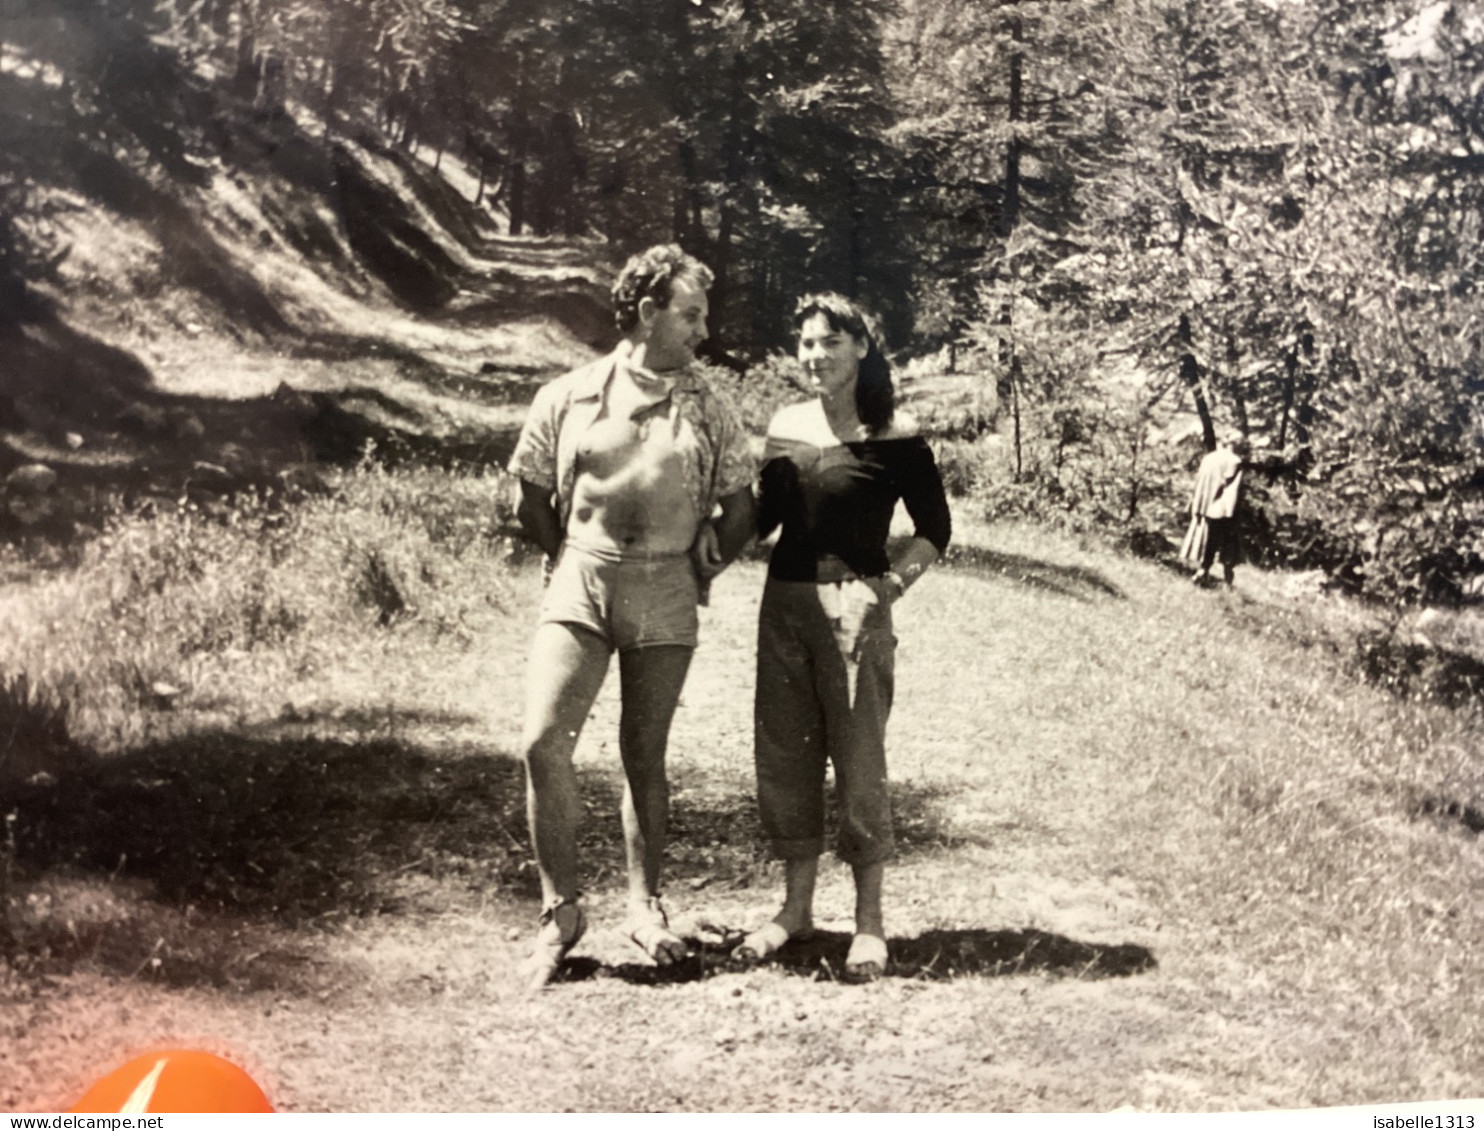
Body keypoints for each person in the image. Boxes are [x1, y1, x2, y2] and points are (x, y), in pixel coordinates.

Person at [506, 244, 755, 990]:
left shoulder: (711, 405)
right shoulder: (569, 394)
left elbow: (741, 505)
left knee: (643, 754)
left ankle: (645, 908)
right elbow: (528, 494)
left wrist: (713, 552)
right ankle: (562, 913)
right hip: (582, 579)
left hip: (665, 590)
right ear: (647, 313)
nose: (701, 331)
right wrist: (570, 560)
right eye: (689, 314)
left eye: (702, 316)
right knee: (543, 740)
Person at [737, 292, 951, 981]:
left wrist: (891, 585)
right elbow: (762, 517)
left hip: (855, 610)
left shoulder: (897, 431)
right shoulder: (787, 425)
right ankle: (795, 910)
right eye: (805, 343)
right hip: (785, 606)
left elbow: (934, 529)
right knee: (784, 756)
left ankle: (869, 923)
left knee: (859, 761)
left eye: (829, 342)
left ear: (861, 346)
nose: (814, 355)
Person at [1179, 434, 1249, 587]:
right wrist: (1231, 514)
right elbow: (1232, 489)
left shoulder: (1209, 458)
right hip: (1222, 509)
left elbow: (1199, 482)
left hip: (1204, 506)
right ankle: (1225, 579)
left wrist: (1195, 504)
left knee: (1208, 541)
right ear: (1235, 444)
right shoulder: (1235, 461)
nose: (1244, 447)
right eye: (1243, 443)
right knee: (1227, 544)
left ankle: (1203, 571)